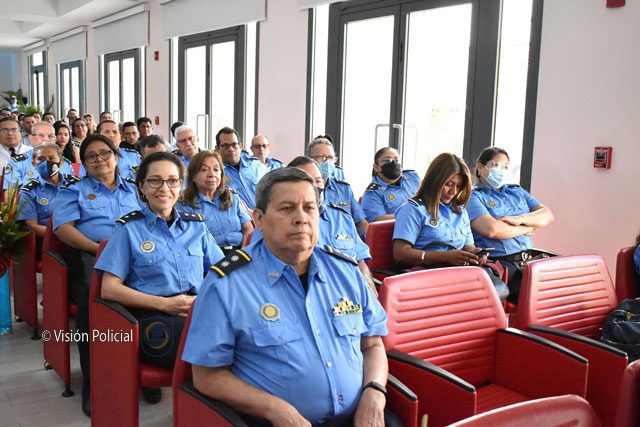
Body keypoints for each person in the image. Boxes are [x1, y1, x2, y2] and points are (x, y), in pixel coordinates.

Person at [182, 167, 392, 426]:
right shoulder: (227, 284)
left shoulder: (346, 272)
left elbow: (372, 345)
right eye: (286, 208)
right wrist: (274, 409)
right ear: (259, 219)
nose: (301, 218)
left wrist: (374, 392)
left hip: (361, 417)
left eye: (309, 208)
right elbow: (206, 376)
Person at [94, 151, 224, 375]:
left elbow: (222, 271)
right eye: (155, 180)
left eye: (172, 181)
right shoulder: (128, 229)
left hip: (197, 311)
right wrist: (165, 304)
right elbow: (109, 289)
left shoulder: (196, 227)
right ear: (142, 187)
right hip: (153, 316)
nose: (164, 188)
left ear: (180, 185)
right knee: (209, 348)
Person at [52, 134, 141, 417]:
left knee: (155, 295)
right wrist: (100, 250)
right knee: (94, 315)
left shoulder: (136, 189)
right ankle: (94, 386)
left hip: (137, 257)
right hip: (92, 256)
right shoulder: (73, 190)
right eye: (91, 156)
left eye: (105, 153)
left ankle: (142, 375)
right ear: (84, 163)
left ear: (116, 156)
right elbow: (62, 229)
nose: (99, 159)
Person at [392, 153, 509, 301]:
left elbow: (468, 247)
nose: (453, 192)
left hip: (456, 275)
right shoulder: (413, 209)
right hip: (426, 277)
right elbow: (400, 254)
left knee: (486, 291)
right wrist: (446, 257)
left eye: (459, 186)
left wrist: (476, 255)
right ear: (435, 181)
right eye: (448, 184)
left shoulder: (460, 211)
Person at [467, 147, 554, 303]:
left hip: (529, 261)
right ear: (481, 167)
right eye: (496, 165)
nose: (501, 170)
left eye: (505, 167)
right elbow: (492, 229)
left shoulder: (516, 191)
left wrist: (520, 218)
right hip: (502, 265)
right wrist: (528, 227)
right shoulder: (474, 196)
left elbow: (547, 215)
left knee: (562, 289)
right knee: (541, 299)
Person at [178, 150, 253, 253]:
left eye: (216, 169)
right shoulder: (184, 203)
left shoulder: (232, 196)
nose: (211, 174)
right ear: (193, 176)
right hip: (207, 256)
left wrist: (243, 255)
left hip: (239, 252)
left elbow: (248, 229)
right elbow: (189, 241)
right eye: (204, 170)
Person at [17, 143, 79, 256]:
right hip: (50, 241)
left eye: (51, 158)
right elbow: (33, 226)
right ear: (33, 164)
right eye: (41, 159)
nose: (46, 162)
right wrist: (67, 236)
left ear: (60, 163)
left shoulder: (76, 184)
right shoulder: (29, 191)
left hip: (81, 236)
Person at [306, 137, 368, 237]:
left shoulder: (343, 189)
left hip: (345, 242)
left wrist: (369, 241)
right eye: (321, 158)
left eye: (330, 158)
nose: (327, 162)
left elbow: (360, 222)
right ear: (309, 160)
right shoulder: (303, 187)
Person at [3, 121, 74, 190]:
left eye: (51, 136)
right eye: (41, 135)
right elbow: (10, 195)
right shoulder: (17, 163)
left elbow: (72, 191)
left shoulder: (65, 163)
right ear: (31, 138)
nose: (46, 139)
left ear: (55, 139)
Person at [361, 147, 421, 222]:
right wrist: (411, 214)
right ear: (376, 167)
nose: (393, 163)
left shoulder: (412, 177)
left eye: (396, 160)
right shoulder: (372, 193)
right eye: (387, 160)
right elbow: (378, 219)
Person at [215, 127, 267, 210]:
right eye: (225, 146)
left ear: (240, 146)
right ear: (217, 149)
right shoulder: (216, 172)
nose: (231, 149)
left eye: (234, 145)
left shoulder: (255, 165)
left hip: (264, 214)